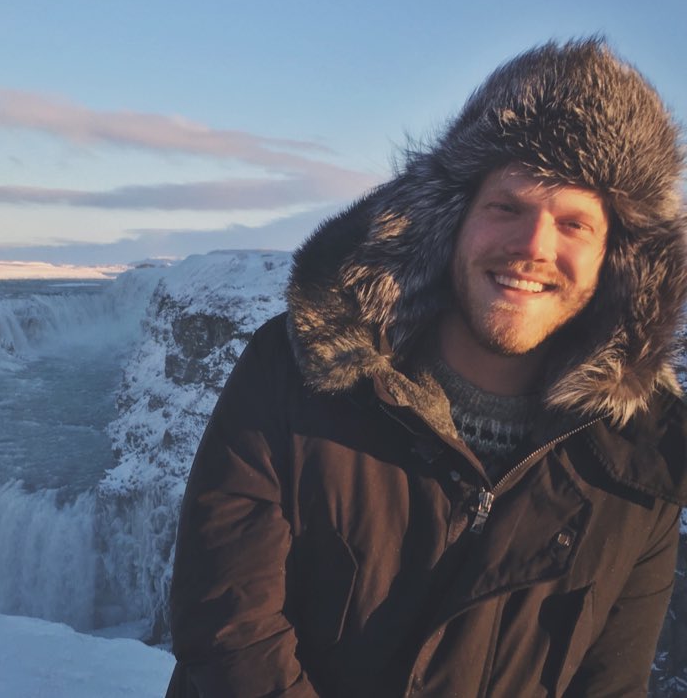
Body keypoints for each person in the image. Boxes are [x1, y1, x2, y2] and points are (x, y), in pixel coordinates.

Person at [166, 39, 687, 697]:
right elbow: (229, 633)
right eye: (508, 207)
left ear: (618, 260)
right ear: (453, 223)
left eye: (575, 223)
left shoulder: (642, 461)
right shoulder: (298, 372)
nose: (533, 246)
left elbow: (611, 685)